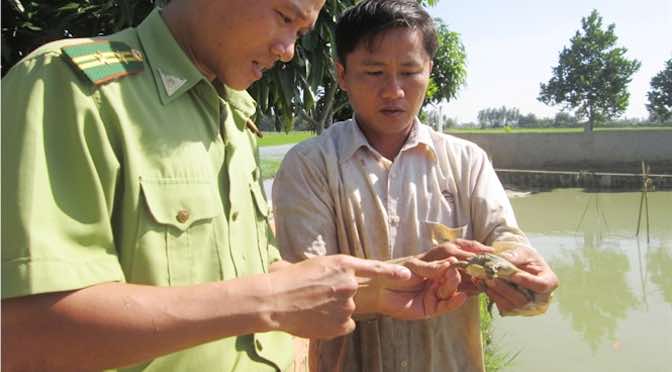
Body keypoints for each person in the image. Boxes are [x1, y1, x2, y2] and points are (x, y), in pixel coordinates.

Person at [0, 0, 461, 371]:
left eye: (300, 32)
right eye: (284, 17)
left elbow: (251, 277)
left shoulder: (233, 114)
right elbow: (26, 336)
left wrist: (384, 287)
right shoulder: (75, 90)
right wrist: (272, 302)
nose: (287, 51)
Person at [271, 1, 560, 371]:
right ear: (342, 75)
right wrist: (412, 276)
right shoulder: (310, 165)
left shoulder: (467, 160)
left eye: (409, 72)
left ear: (429, 71)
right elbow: (307, 289)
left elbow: (504, 236)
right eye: (374, 72)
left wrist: (524, 275)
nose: (393, 91)